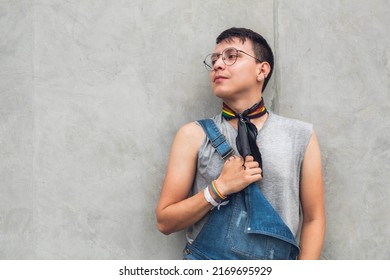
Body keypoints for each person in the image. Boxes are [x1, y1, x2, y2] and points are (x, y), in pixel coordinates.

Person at [155, 27, 325, 260]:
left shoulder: (301, 135)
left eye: (231, 56)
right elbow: (165, 221)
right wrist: (219, 189)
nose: (217, 65)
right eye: (214, 59)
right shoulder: (192, 135)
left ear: (261, 70)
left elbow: (314, 219)